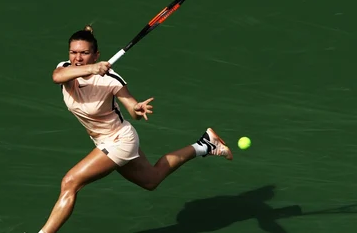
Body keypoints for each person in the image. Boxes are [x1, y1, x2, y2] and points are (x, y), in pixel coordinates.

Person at [38, 25, 233, 233]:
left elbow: (131, 107)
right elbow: (56, 77)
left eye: (85, 53)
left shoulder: (111, 80)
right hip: (102, 140)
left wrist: (137, 108)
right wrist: (91, 68)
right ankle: (205, 144)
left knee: (70, 181)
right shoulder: (66, 70)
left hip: (120, 140)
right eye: (73, 52)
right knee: (151, 180)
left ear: (96, 55)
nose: (77, 58)